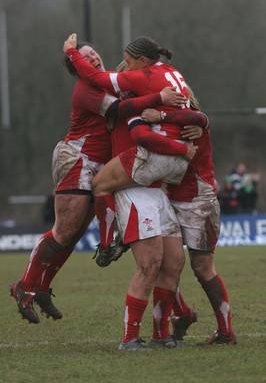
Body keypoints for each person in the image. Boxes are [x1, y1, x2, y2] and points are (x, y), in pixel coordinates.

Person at [10, 40, 182, 324]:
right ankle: (24, 287)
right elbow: (118, 111)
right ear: (78, 67)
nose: (94, 58)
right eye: (86, 57)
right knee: (63, 231)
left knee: (74, 235)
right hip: (77, 158)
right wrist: (159, 98)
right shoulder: (86, 88)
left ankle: (41, 288)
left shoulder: (109, 82)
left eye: (94, 54)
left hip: (99, 165)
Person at [64, 34, 200, 350]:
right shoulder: (127, 108)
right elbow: (104, 90)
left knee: (174, 262)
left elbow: (189, 107)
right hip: (133, 189)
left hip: (156, 188)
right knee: (150, 262)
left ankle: (160, 334)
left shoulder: (151, 98)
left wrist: (196, 123)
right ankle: (129, 338)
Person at [142, 88, 236, 346]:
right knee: (164, 264)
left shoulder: (191, 120)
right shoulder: (160, 122)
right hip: (168, 200)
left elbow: (201, 119)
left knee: (202, 267)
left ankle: (226, 332)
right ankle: (180, 316)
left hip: (198, 201)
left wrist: (163, 115)